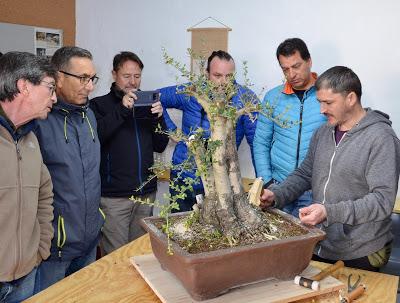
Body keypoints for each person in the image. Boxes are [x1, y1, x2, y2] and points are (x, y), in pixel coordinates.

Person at [260, 66, 400, 271]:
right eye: (319, 102)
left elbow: (382, 201)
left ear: (351, 98)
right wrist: (275, 194)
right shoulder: (322, 133)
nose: (321, 110)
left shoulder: (381, 138)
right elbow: (304, 174)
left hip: (362, 251)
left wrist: (329, 212)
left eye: (328, 102)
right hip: (321, 243)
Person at [34, 46, 104, 292]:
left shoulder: (89, 116)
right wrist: (44, 241)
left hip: (88, 242)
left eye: (92, 78)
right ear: (58, 77)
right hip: (54, 250)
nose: (90, 86)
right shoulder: (39, 122)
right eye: (83, 78)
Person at [90, 51, 168, 255]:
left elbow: (160, 144)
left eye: (137, 76)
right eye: (127, 76)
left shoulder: (148, 104)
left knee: (141, 253)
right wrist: (122, 110)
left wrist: (158, 118)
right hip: (115, 198)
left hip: (146, 195)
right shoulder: (98, 105)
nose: (133, 82)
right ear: (114, 74)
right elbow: (96, 138)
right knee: (116, 257)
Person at [160, 50, 258, 212]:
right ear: (206, 74)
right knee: (181, 230)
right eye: (217, 75)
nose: (223, 82)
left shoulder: (245, 98)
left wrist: (262, 181)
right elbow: (156, 97)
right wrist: (170, 129)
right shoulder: (191, 92)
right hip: (184, 178)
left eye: (229, 76)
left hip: (222, 182)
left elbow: (257, 142)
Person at [0, 52, 56, 302]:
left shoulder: (30, 137)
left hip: (26, 275)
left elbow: (45, 194)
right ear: (23, 86)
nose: (54, 97)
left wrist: (40, 247)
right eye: (50, 87)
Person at [253, 38, 326, 218]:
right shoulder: (273, 97)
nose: (291, 74)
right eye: (285, 69)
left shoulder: (327, 96)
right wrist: (267, 181)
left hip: (312, 189)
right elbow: (260, 142)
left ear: (309, 61)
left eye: (296, 66)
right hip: (277, 186)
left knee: (308, 244)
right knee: (277, 242)